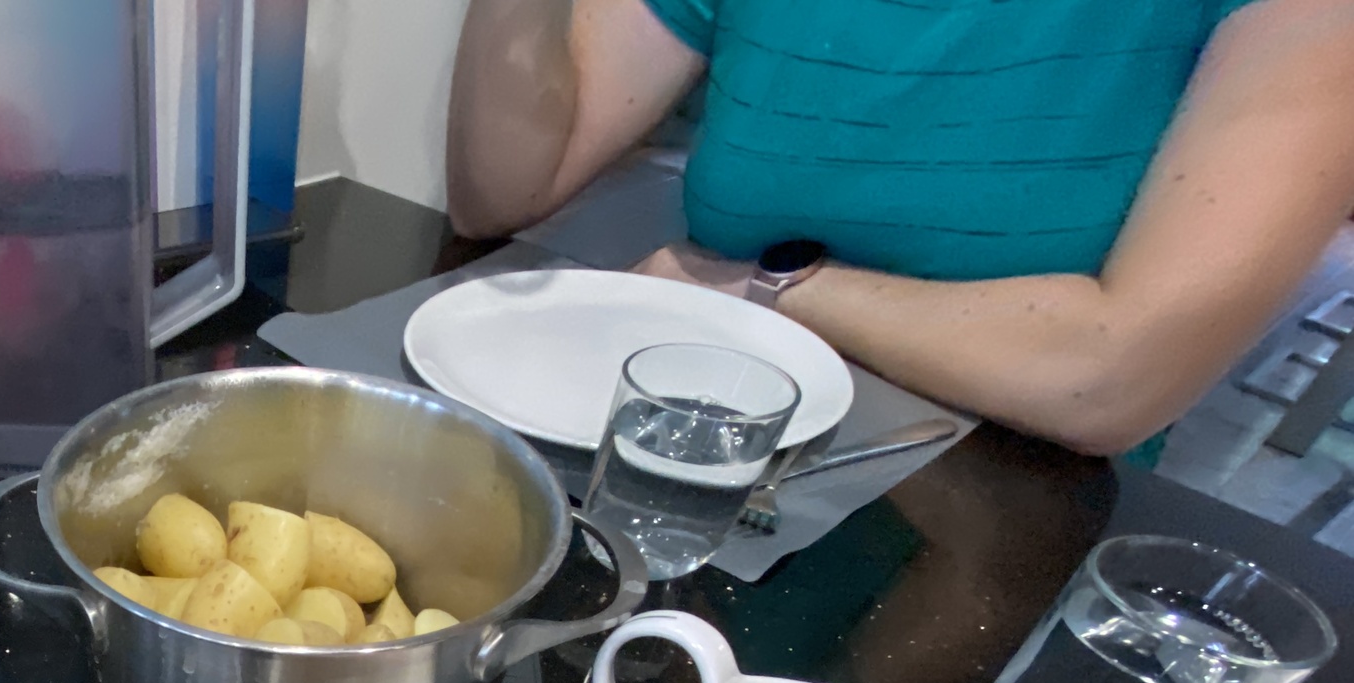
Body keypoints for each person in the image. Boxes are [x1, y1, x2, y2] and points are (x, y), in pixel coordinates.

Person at [445, 0, 1354, 455]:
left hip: (993, 506)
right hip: (704, 437)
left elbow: (1108, 381)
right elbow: (500, 193)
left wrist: (765, 287)